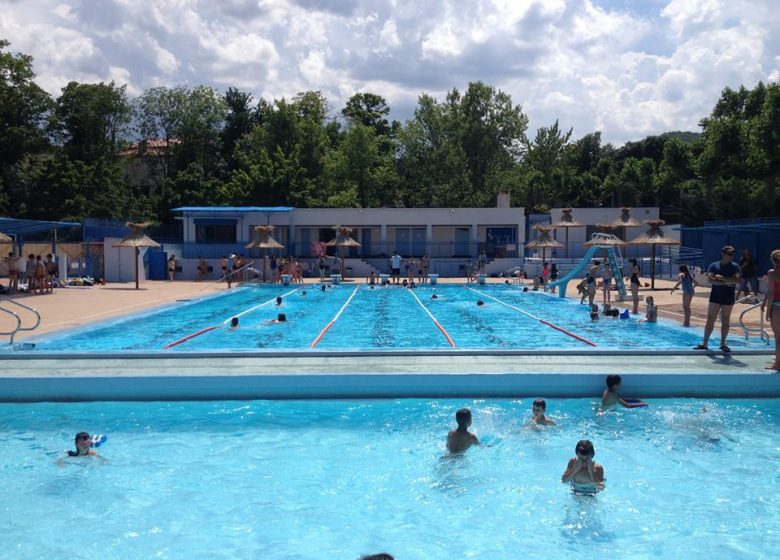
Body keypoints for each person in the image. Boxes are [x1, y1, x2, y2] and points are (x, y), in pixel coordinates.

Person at [695, 245, 740, 352]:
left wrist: (723, 278)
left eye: (732, 254)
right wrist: (727, 282)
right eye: (729, 254)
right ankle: (705, 343)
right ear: (723, 253)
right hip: (715, 296)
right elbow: (710, 280)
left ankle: (723, 343)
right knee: (710, 318)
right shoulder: (714, 265)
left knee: (725, 319)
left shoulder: (735, 266)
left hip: (728, 297)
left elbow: (737, 281)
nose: (731, 256)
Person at [762, 249, 780, 370]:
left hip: (777, 306)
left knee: (778, 336)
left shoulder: (772, 273)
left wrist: (768, 311)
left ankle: (778, 364)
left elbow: (772, 293)